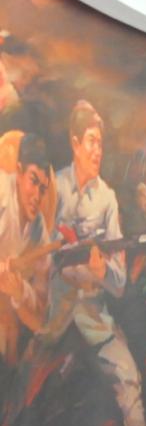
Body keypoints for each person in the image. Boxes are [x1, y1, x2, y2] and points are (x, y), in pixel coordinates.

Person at [37, 101, 146, 426]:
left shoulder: (108, 199)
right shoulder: (53, 187)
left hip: (91, 315)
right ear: (75, 142)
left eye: (101, 142)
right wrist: (67, 260)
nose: (98, 150)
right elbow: (40, 252)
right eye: (91, 141)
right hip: (50, 313)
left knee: (127, 374)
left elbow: (118, 282)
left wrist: (99, 271)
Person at [0, 132, 51, 374]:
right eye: (33, 181)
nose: (37, 196)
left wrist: (19, 291)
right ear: (19, 172)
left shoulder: (39, 230)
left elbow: (40, 318)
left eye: (43, 189)